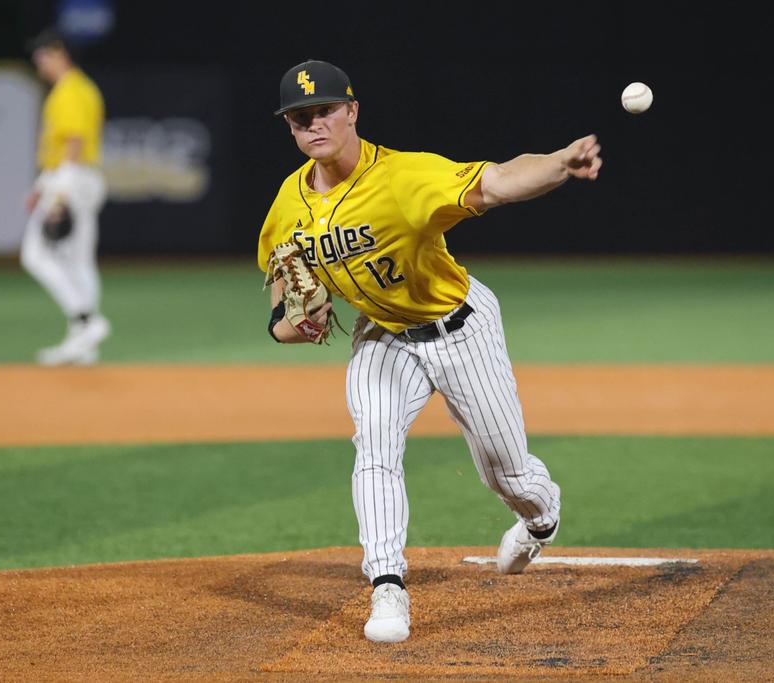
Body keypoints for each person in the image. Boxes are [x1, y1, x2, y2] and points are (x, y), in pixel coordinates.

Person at [256, 60, 602, 643]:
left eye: (324, 111)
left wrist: (558, 166)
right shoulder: (287, 202)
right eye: (299, 118)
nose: (313, 125)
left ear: (352, 111)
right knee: (374, 442)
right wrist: (287, 326)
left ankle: (540, 519)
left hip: (460, 327)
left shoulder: (404, 176)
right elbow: (279, 291)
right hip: (383, 337)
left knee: (508, 471)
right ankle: (387, 584)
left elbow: (496, 181)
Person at [20, 28, 110, 365]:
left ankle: (86, 320)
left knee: (35, 255)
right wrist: (42, 187)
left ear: (59, 53)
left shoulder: (70, 89)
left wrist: (58, 191)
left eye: (42, 55)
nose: (38, 63)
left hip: (72, 176)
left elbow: (73, 142)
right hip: (78, 177)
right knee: (78, 261)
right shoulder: (80, 87)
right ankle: (84, 344)